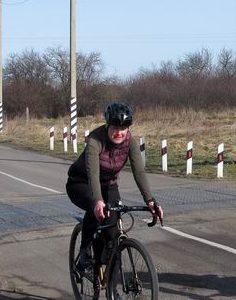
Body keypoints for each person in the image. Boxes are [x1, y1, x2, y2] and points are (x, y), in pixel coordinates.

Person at [66, 102, 163, 271]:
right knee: (94, 207)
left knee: (113, 235)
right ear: (107, 125)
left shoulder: (130, 142)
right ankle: (84, 252)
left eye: (123, 128)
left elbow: (139, 172)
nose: (119, 132)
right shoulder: (95, 140)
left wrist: (150, 201)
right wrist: (97, 200)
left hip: (108, 185)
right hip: (80, 182)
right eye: (115, 128)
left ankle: (113, 287)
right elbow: (93, 174)